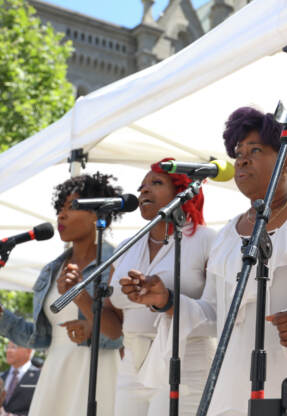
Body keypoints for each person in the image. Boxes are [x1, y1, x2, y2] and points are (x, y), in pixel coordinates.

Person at [122, 108, 287, 415]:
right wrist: (166, 300)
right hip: (233, 389)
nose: (242, 160)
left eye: (255, 150)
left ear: (286, 160)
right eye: (238, 153)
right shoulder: (227, 234)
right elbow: (215, 314)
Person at [0, 172, 124, 416]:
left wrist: (81, 298)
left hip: (98, 371)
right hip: (55, 371)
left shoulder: (116, 263)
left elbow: (119, 336)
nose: (61, 215)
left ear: (96, 213)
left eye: (71, 207)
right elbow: (39, 338)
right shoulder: (51, 271)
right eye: (59, 208)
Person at [61, 159, 216, 416]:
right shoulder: (126, 248)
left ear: (182, 191)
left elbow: (220, 316)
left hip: (187, 362)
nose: (144, 190)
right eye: (142, 186)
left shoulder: (207, 240)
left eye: (156, 183)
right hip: (132, 364)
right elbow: (114, 329)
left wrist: (166, 300)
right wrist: (80, 295)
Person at [0, 341, 40, 415]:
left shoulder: (39, 378)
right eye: (7, 347)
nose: (8, 350)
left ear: (29, 350)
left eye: (13, 347)